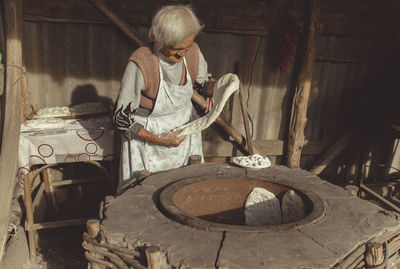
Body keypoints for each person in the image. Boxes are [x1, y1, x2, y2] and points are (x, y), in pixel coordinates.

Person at [113, 5, 214, 184]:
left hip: (184, 133)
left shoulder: (193, 53)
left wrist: (219, 87)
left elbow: (203, 84)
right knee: (145, 193)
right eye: (176, 48)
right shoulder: (142, 62)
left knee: (186, 188)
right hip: (148, 139)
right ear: (158, 40)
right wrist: (159, 139)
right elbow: (120, 119)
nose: (182, 54)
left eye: (187, 47)